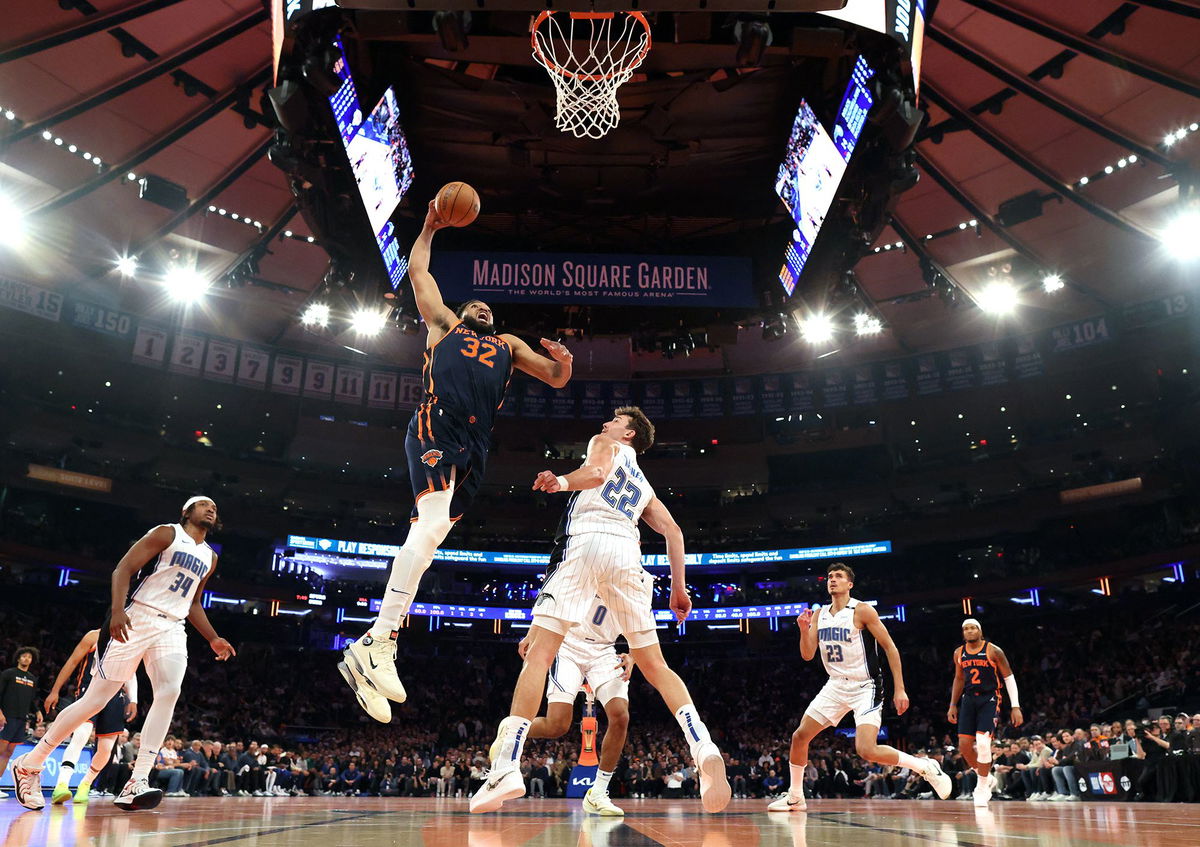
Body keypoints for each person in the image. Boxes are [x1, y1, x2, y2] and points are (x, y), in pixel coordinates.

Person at [340, 199, 574, 724]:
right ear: (463, 312)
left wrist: (564, 364)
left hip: (477, 448)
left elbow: (557, 381)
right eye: (478, 307)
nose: (484, 310)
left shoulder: (508, 345)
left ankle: (375, 646)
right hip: (437, 425)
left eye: (490, 310)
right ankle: (378, 643)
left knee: (428, 539)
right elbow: (418, 270)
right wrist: (427, 225)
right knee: (427, 526)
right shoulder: (444, 324)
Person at [472, 408, 731, 815]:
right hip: (628, 556)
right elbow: (674, 532)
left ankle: (505, 766)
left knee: (538, 653)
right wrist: (679, 589)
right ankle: (702, 746)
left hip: (587, 542)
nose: (606, 422)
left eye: (615, 419)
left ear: (627, 434)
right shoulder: (643, 483)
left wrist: (559, 482)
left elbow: (593, 473)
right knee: (657, 666)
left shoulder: (605, 444)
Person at [9, 496, 236, 811]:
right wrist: (117, 610)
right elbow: (123, 569)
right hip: (136, 616)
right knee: (94, 701)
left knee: (170, 691)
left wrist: (212, 637)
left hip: (173, 626)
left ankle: (137, 780)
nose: (211, 508)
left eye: (215, 506)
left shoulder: (210, 557)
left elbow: (194, 602)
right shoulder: (166, 534)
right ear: (186, 512)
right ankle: (30, 764)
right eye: (204, 504)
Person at [767, 563, 952, 812]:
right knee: (799, 737)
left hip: (866, 686)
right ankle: (796, 797)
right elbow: (808, 655)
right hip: (835, 685)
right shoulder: (819, 614)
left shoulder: (862, 610)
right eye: (830, 577)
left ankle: (925, 766)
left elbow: (890, 648)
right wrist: (803, 630)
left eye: (839, 576)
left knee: (866, 749)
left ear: (849, 584)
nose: (832, 580)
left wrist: (900, 688)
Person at [512, 593, 634, 815]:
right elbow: (550, 593)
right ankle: (509, 731)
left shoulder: (638, 578)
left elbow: (641, 623)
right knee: (556, 726)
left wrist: (633, 654)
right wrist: (533, 632)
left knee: (620, 715)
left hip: (605, 651)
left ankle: (597, 793)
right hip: (568, 646)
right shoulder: (580, 561)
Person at [43, 629, 139, 804]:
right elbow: (72, 662)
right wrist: (55, 690)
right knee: (80, 736)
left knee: (106, 749)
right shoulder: (93, 636)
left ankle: (85, 785)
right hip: (89, 689)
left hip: (115, 694)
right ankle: (62, 784)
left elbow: (131, 673)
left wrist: (133, 699)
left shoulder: (131, 639)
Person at [946, 618, 1023, 807]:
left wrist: (1015, 706)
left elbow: (1009, 677)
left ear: (980, 631)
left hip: (989, 698)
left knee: (982, 743)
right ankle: (986, 776)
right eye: (966, 629)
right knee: (964, 746)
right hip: (968, 699)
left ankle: (981, 787)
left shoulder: (994, 651)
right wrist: (952, 704)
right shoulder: (959, 653)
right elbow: (958, 678)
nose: (970, 631)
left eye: (973, 628)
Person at [0, 646, 41, 798]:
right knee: (0, 750)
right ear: (18, 658)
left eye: (29, 657)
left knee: (8, 753)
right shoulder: (8, 674)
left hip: (21, 719)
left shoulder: (31, 678)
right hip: (7, 717)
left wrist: (37, 710)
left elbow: (31, 699)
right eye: (23, 656)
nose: (26, 659)